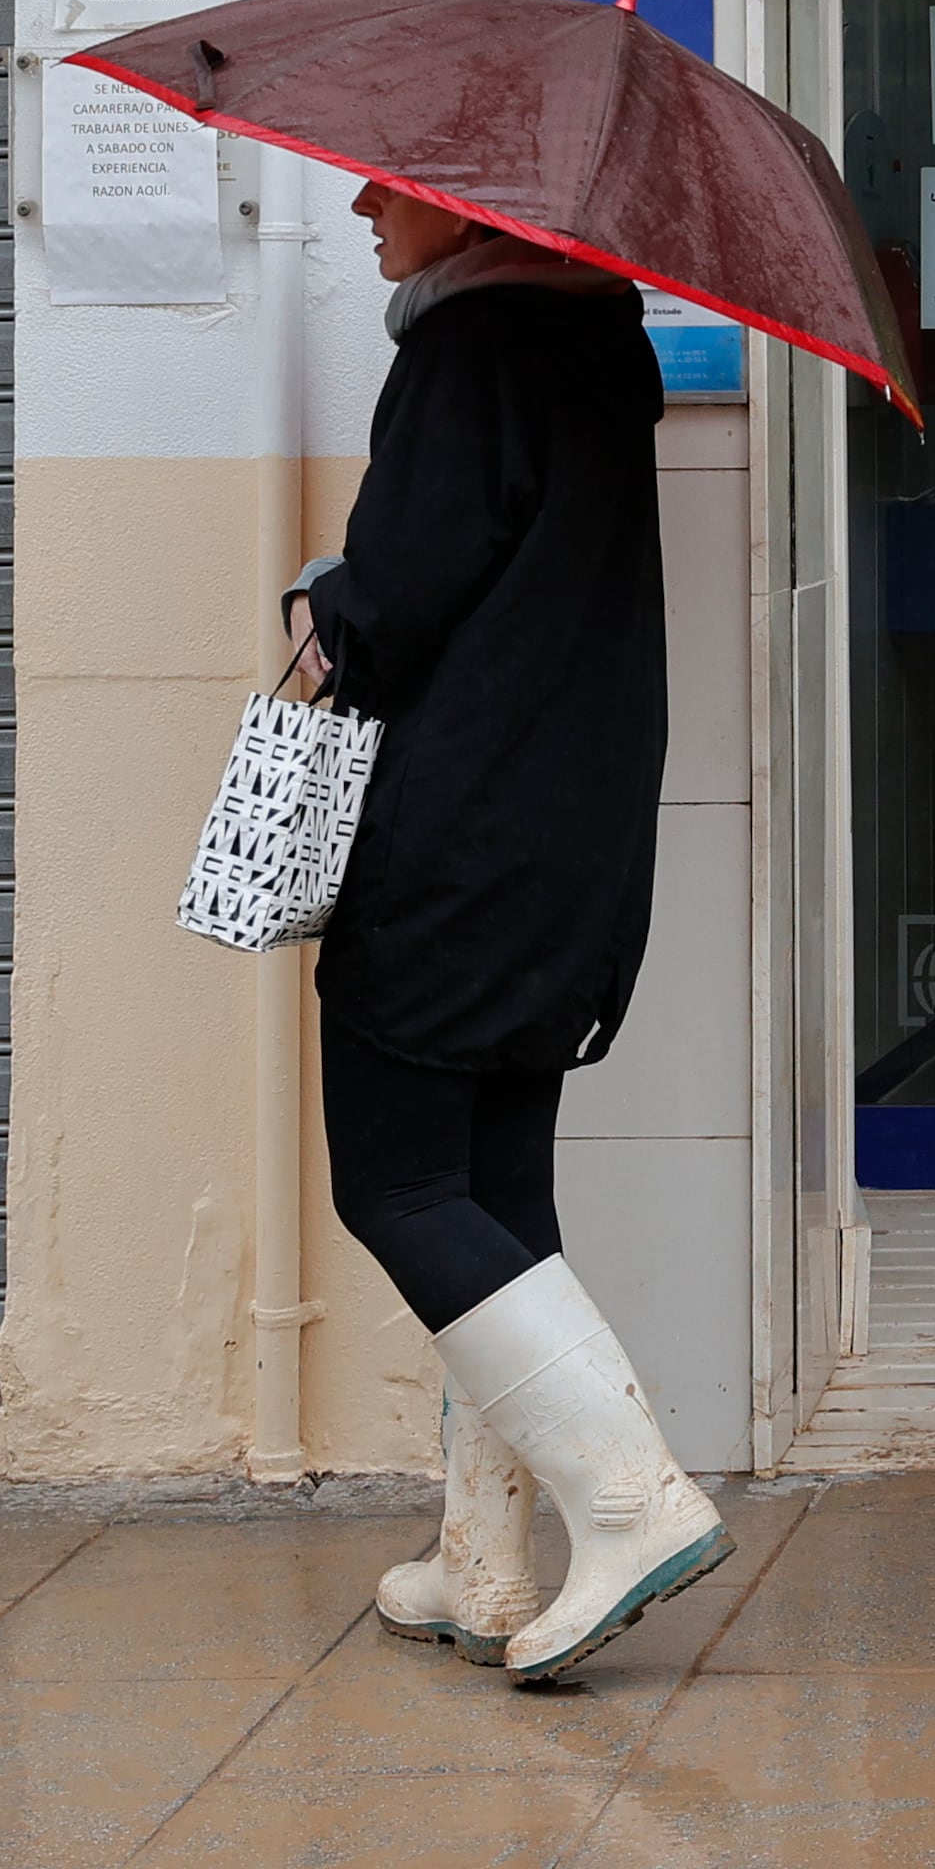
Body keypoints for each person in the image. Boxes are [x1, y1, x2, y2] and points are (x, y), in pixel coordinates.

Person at [285, 175, 726, 1688]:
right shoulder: (598, 348)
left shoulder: (469, 356)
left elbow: (394, 605)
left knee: (399, 1180)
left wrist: (323, 599)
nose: (358, 203)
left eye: (394, 186)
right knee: (494, 1194)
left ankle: (627, 1497)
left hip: (458, 838)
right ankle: (482, 1554)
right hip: (571, 836)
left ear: (473, 213)